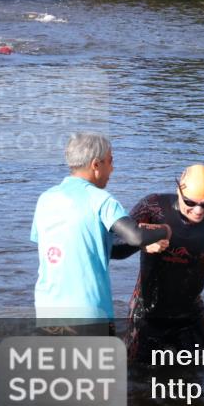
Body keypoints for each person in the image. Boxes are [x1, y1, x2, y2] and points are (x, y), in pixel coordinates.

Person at [31, 132, 171, 326]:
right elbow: (135, 236)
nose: (112, 169)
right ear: (96, 165)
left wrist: (144, 245)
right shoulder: (100, 200)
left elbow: (93, 248)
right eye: (110, 161)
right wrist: (164, 230)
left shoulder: (45, 199)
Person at [113, 165, 204, 362]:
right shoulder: (153, 207)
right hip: (146, 313)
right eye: (190, 202)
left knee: (201, 378)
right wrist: (142, 243)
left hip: (190, 316)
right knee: (135, 381)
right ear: (179, 191)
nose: (198, 210)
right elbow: (114, 248)